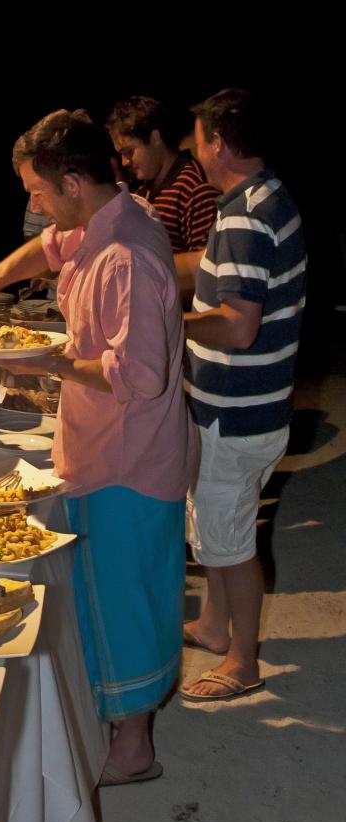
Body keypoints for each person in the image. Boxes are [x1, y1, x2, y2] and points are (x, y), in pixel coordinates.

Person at [0, 110, 192, 783]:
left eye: (38, 190)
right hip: (101, 446)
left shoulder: (127, 255)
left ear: (74, 182)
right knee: (114, 592)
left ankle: (133, 746)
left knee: (125, 598)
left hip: (128, 460)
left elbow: (139, 374)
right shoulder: (102, 218)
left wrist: (48, 362)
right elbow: (47, 248)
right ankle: (117, 719)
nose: (34, 204)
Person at [179, 89, 305, 703]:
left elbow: (237, 324)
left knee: (231, 543)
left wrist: (170, 322)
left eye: (198, 137)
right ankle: (212, 626)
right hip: (248, 406)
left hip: (236, 410)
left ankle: (242, 662)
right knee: (218, 530)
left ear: (218, 143)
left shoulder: (245, 217)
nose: (194, 148)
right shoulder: (266, 195)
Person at [106, 95, 217, 257]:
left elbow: (206, 266)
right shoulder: (144, 191)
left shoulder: (194, 191)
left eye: (129, 152)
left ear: (155, 138)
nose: (124, 162)